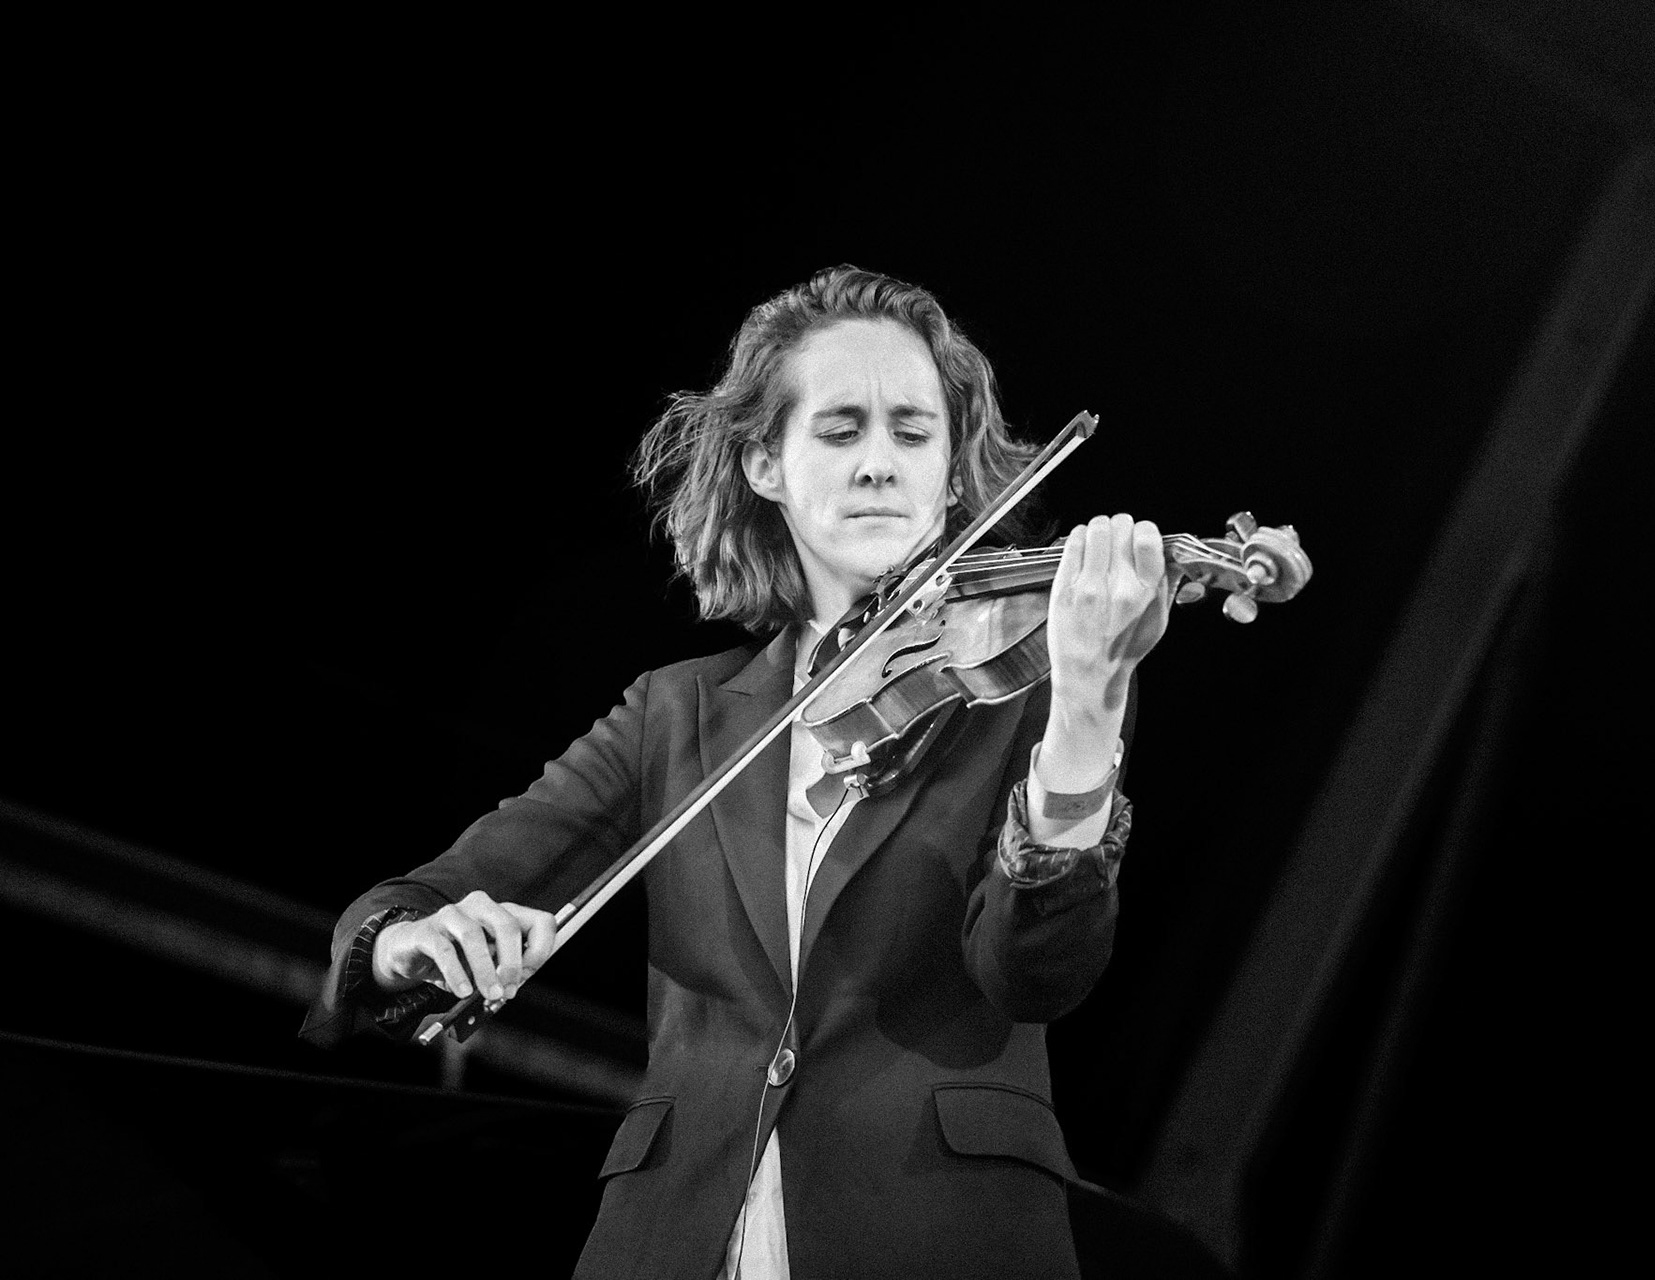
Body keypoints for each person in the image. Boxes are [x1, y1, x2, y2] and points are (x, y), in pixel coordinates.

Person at [300, 264, 1171, 1279]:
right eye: (842, 431)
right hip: (676, 1238)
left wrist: (1090, 710)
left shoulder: (1031, 683)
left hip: (940, 1232)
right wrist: (414, 939)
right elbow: (404, 904)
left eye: (914, 432)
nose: (880, 464)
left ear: (956, 472)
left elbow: (1034, 973)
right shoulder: (676, 713)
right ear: (766, 463)